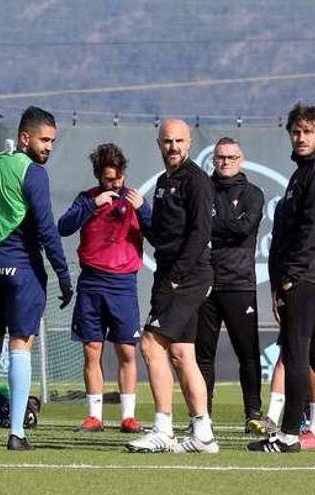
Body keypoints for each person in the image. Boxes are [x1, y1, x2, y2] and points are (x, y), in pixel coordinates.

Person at [0, 106, 72, 451]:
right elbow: (46, 227)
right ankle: (17, 433)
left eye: (53, 141)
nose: (49, 147)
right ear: (25, 137)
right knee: (20, 346)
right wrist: (62, 272)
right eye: (44, 139)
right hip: (22, 268)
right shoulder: (33, 173)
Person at [126, 118, 217, 454]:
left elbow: (199, 235)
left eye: (179, 141)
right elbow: (164, 237)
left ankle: (163, 429)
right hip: (171, 274)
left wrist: (176, 276)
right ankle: (203, 434)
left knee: (150, 344)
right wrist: (140, 215)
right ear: (159, 143)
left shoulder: (197, 181)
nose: (174, 147)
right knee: (181, 353)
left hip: (188, 277)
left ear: (189, 143)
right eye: (168, 141)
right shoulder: (165, 182)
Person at [58, 143, 149, 434]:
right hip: (92, 283)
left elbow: (159, 232)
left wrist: (143, 209)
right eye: (110, 179)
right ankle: (94, 416)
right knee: (92, 350)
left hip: (123, 284)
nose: (116, 183)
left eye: (119, 177)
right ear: (99, 176)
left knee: (126, 351)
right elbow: (63, 227)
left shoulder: (134, 199)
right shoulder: (87, 199)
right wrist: (90, 206)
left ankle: (128, 417)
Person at [249, 103, 315, 452]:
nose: (300, 137)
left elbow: (309, 230)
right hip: (297, 279)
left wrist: (290, 276)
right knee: (309, 355)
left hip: (305, 280)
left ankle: (290, 434)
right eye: (295, 131)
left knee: (296, 354)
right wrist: (278, 284)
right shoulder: (300, 173)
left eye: (307, 131)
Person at [192, 137, 264, 432]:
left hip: (239, 283)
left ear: (241, 159)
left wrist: (213, 226)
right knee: (202, 354)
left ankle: (253, 413)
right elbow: (197, 227)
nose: (225, 162)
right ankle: (202, 416)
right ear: (214, 160)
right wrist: (220, 226)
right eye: (220, 157)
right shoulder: (203, 190)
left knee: (247, 352)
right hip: (205, 281)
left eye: (231, 157)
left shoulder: (253, 193)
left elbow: (244, 229)